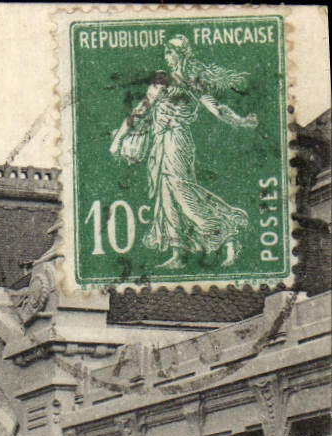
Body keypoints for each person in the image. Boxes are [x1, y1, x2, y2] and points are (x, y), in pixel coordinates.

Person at [109, 35, 258, 269]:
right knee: (165, 195)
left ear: (182, 55)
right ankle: (177, 252)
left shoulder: (192, 81)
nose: (167, 57)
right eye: (166, 53)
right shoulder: (160, 82)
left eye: (171, 53)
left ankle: (226, 233)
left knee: (182, 191)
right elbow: (139, 112)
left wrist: (239, 121)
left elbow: (215, 107)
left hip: (178, 140)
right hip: (159, 143)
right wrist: (118, 140)